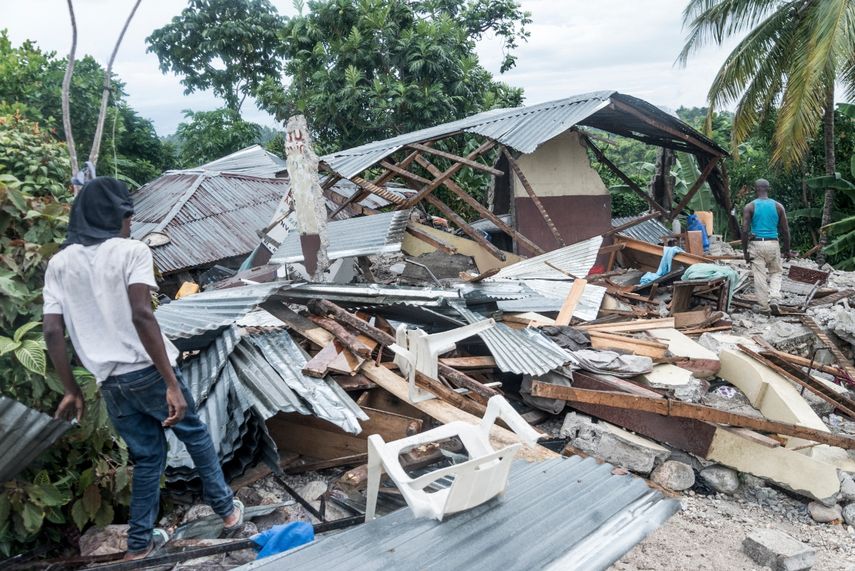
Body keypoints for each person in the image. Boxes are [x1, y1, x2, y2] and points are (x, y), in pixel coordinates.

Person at [43, 177, 244, 561]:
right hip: (149, 371)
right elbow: (141, 314)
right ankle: (228, 512)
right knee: (195, 435)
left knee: (149, 457)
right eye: (128, 216)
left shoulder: (59, 263)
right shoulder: (131, 251)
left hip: (111, 383)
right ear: (113, 216)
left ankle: (139, 546)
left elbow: (52, 330)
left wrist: (71, 389)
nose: (131, 223)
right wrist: (170, 382)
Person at [741, 179, 791, 312]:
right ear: (768, 189)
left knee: (759, 275)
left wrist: (745, 252)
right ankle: (774, 297)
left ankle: (763, 306)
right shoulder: (778, 206)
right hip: (773, 243)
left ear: (755, 189)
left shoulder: (750, 206)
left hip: (756, 244)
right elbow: (785, 230)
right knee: (776, 272)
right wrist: (787, 250)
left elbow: (744, 231)